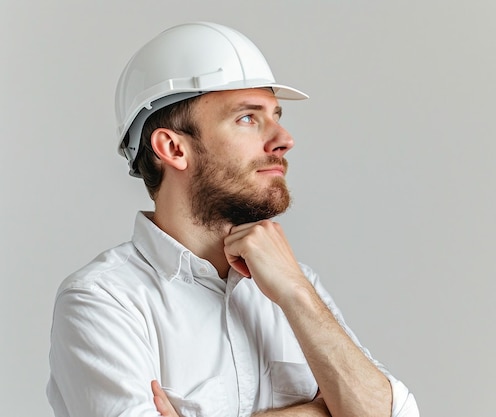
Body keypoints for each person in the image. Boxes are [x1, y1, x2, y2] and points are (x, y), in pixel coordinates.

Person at [47, 22, 419, 417]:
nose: (283, 138)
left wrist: (294, 292)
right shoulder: (103, 299)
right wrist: (321, 411)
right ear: (173, 148)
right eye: (247, 118)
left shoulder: (295, 284)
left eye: (276, 115)